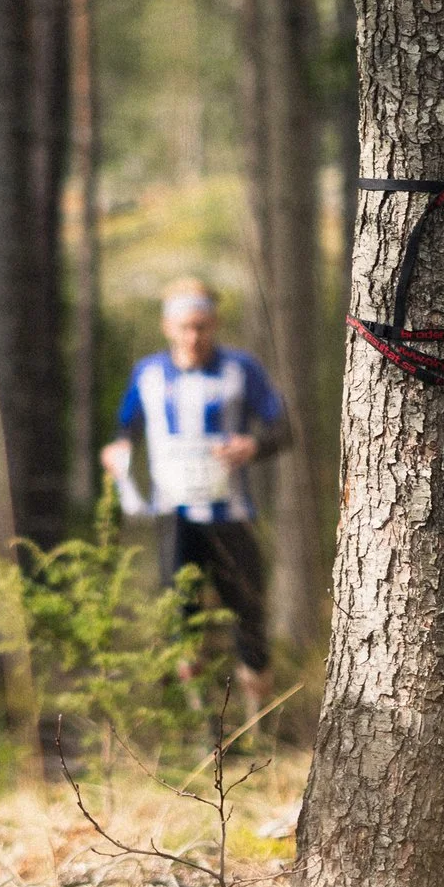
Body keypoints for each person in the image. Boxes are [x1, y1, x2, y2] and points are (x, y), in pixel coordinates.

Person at [98, 278, 288, 720]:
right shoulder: (148, 374)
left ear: (215, 323)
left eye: (202, 326)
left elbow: (282, 429)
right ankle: (200, 725)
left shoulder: (242, 369)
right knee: (179, 620)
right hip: (174, 517)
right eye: (184, 327)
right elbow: (124, 429)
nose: (193, 337)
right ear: (167, 327)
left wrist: (252, 446)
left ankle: (258, 726)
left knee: (249, 614)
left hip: (231, 514)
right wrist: (118, 451)